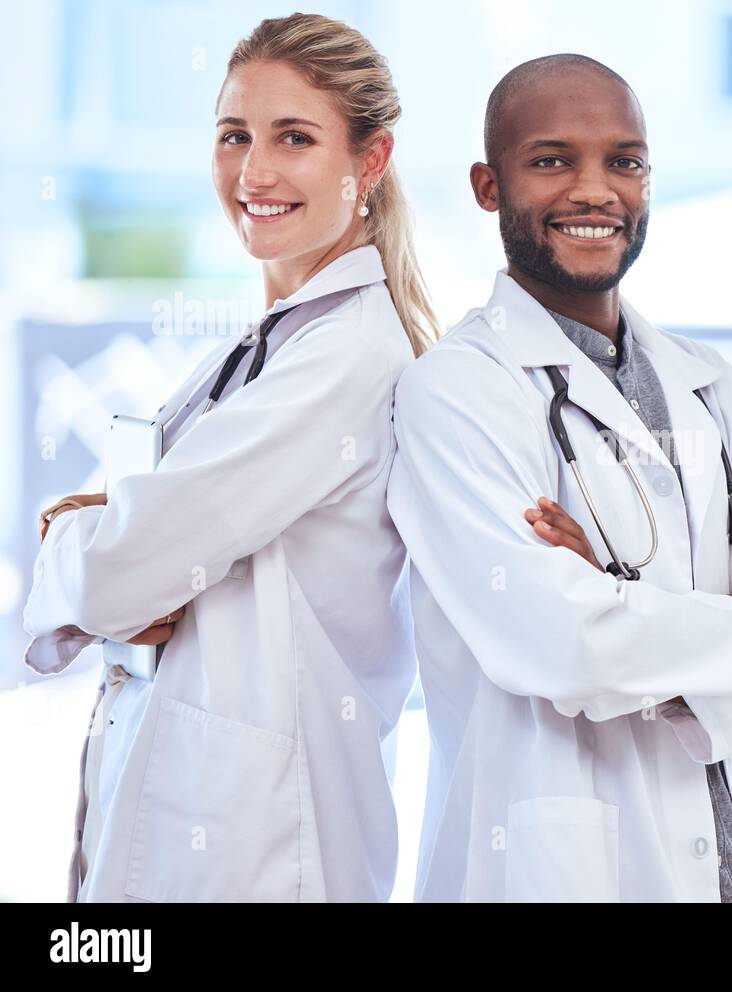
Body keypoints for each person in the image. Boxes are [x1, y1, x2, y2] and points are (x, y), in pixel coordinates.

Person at [388, 54, 732, 902]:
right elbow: (560, 646)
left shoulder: (716, 392)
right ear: (488, 186)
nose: (594, 189)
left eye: (624, 161)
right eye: (550, 160)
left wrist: (628, 621)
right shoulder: (456, 392)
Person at [23, 12, 438, 902]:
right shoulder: (271, 346)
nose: (254, 171)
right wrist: (107, 549)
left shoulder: (346, 360)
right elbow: (133, 560)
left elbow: (112, 574)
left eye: (295, 137)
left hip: (266, 845)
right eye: (234, 135)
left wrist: (69, 543)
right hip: (200, 817)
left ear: (368, 162)